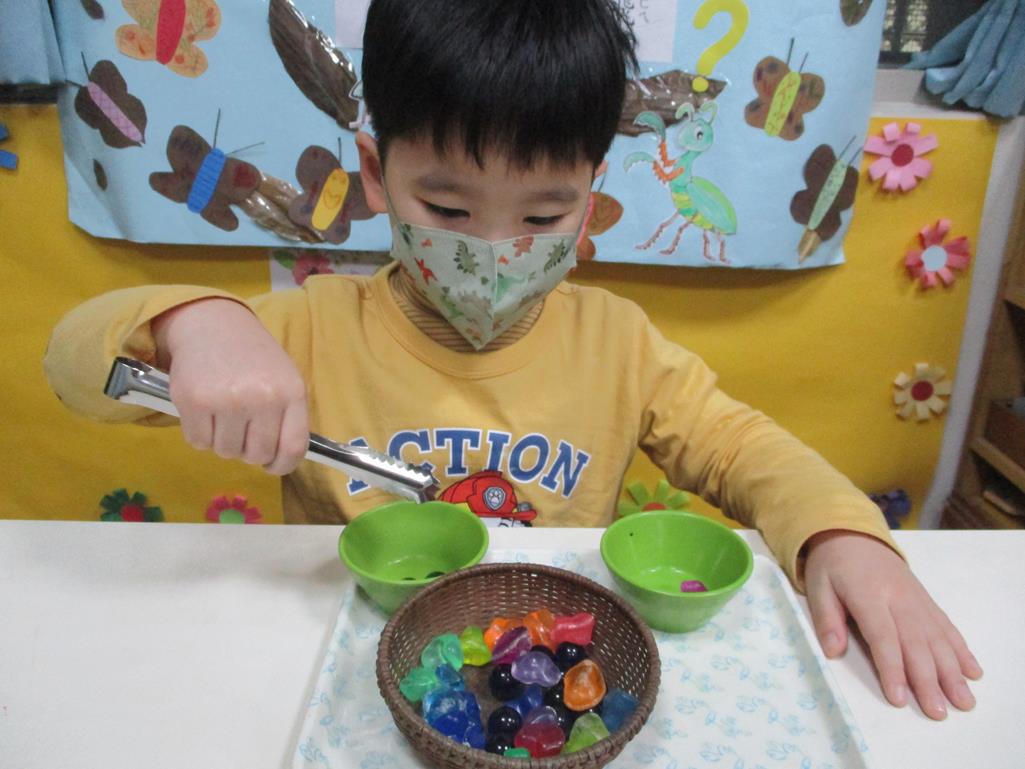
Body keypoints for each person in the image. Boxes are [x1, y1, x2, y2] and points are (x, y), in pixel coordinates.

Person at [44, 0, 979, 721]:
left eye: (542, 214)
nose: (492, 249)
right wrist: (197, 323)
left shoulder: (618, 343)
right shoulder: (312, 327)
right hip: (342, 678)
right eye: (447, 209)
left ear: (590, 196)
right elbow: (72, 366)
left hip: (548, 687)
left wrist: (840, 537)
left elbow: (743, 449)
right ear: (374, 172)